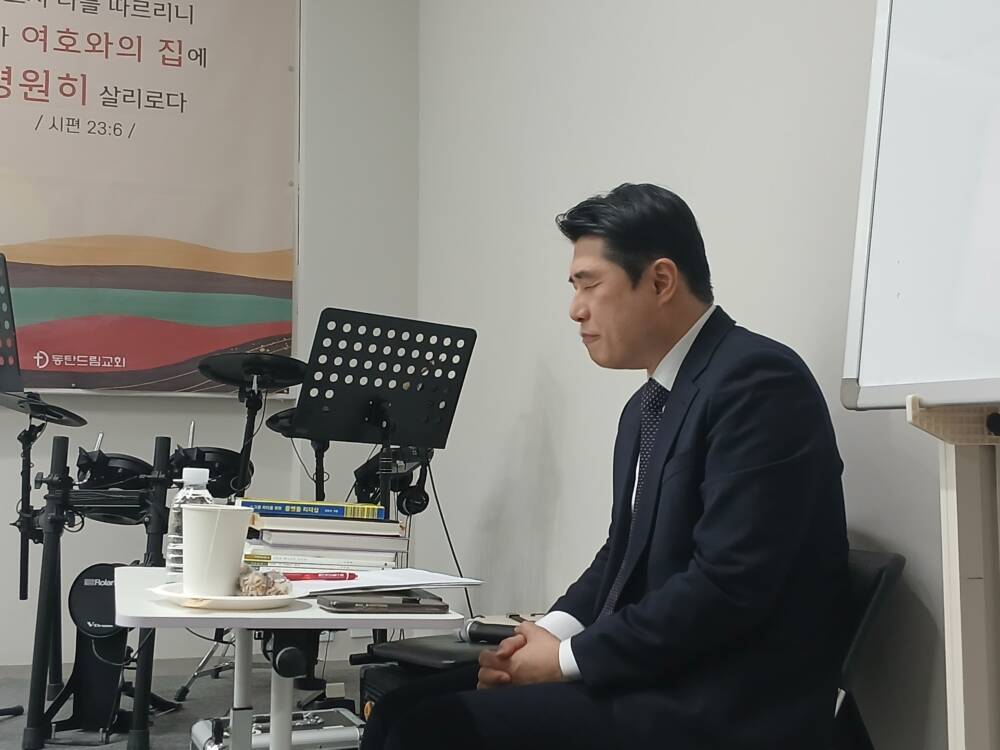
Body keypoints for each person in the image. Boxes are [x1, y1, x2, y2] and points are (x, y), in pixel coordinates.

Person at [361, 183, 849, 750]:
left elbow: (727, 586)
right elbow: (622, 555)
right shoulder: (645, 406)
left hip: (723, 700)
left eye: (590, 284)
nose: (576, 308)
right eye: (574, 287)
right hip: (658, 672)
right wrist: (541, 637)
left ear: (660, 281)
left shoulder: (757, 381)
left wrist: (565, 660)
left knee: (430, 729)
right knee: (396, 707)